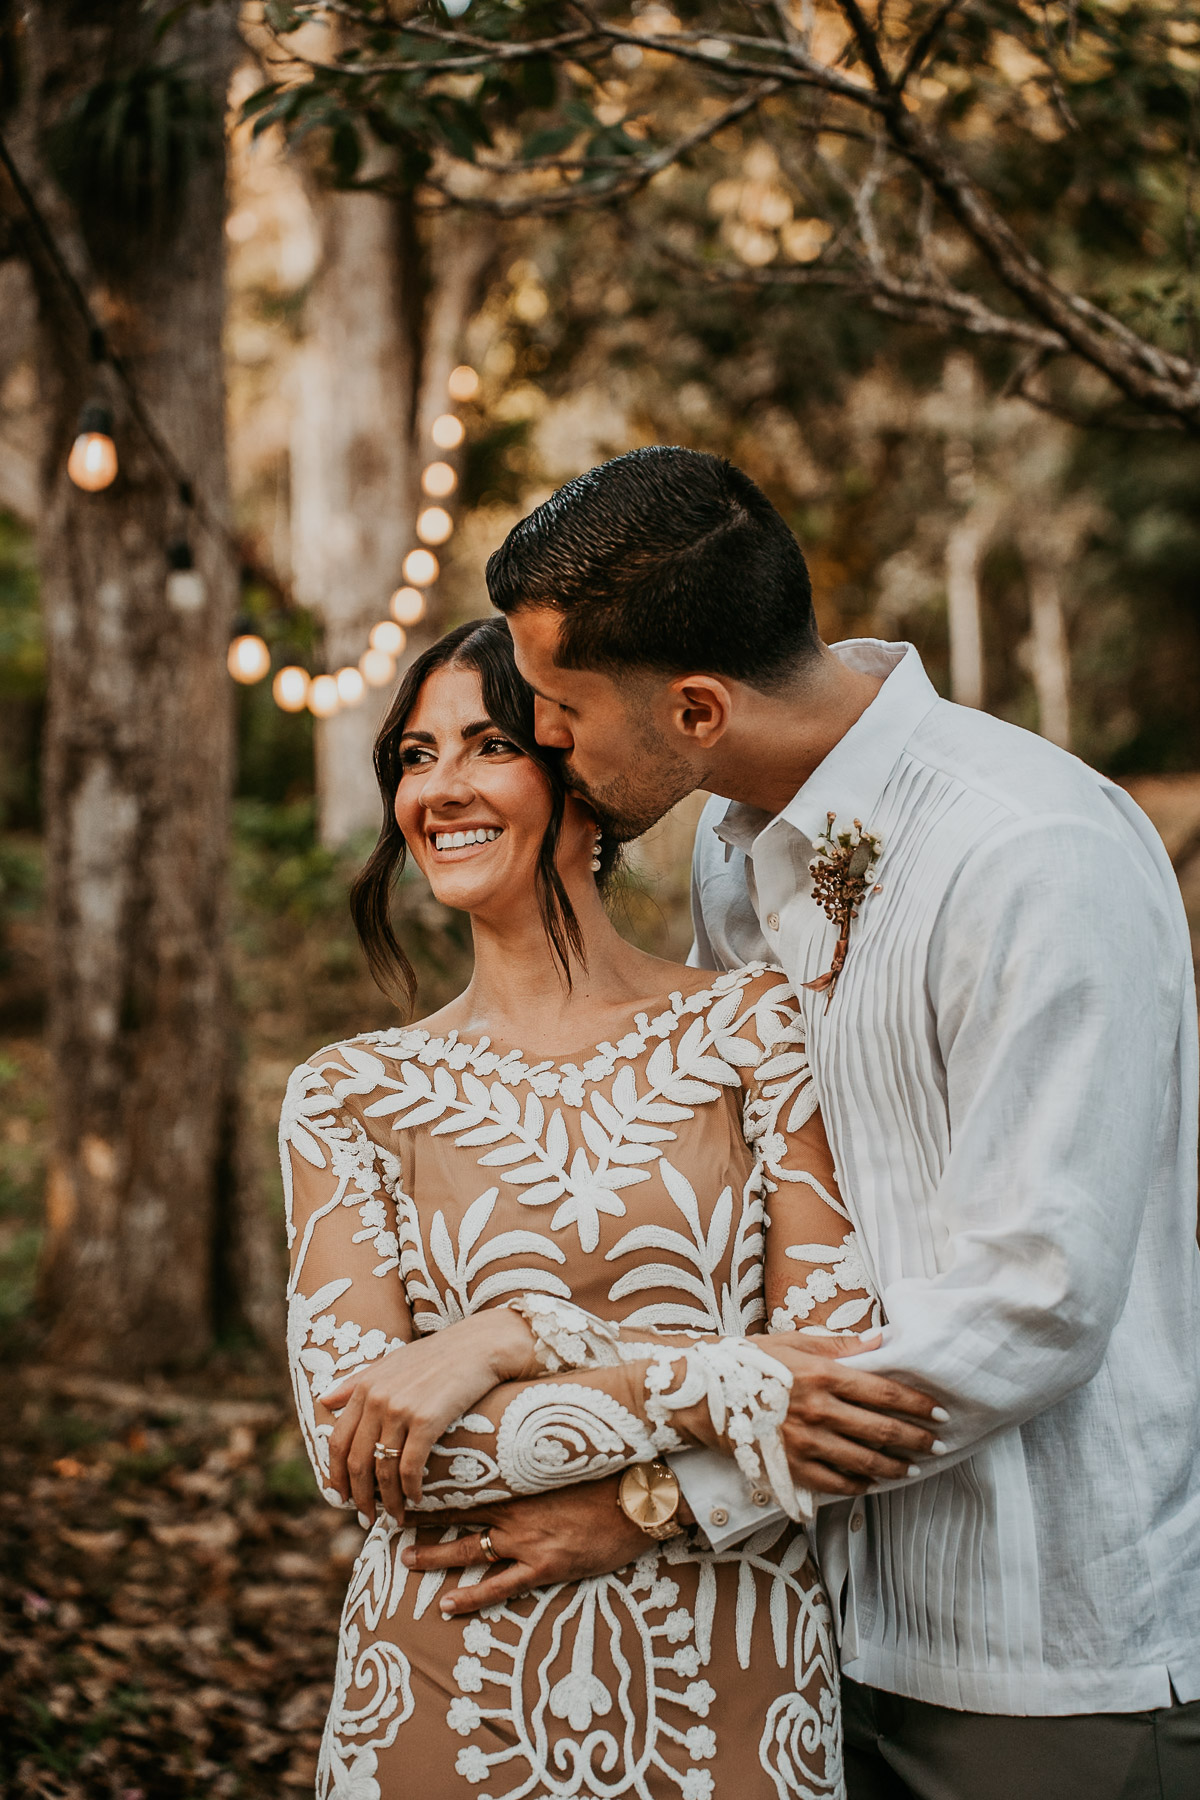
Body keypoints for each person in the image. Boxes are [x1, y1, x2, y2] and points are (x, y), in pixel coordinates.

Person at [399, 448, 1200, 1800]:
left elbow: (1037, 1301)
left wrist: (674, 1498)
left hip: (1037, 1657)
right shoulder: (730, 849)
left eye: (558, 708)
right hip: (807, 1626)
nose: (542, 739)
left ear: (698, 707)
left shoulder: (1030, 855)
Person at [279, 615, 943, 1799]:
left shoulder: (757, 1033)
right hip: (442, 1677)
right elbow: (363, 1454)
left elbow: (834, 1381)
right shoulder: (350, 1095)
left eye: (487, 746)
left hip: (733, 1670)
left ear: (578, 774)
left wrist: (507, 1342)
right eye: (415, 758)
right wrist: (712, 1378)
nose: (439, 791)